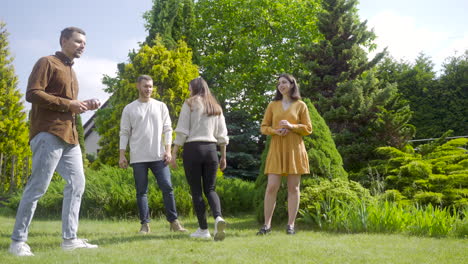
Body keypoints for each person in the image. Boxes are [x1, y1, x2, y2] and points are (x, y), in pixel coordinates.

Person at [9, 27, 100, 256]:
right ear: (63, 41)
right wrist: (68, 104)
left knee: (77, 184)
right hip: (48, 132)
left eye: (84, 43)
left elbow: (68, 103)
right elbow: (32, 93)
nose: (82, 46)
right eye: (78, 41)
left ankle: (69, 239)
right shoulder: (47, 62)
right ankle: (18, 242)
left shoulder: (72, 71)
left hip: (70, 136)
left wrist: (83, 104)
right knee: (38, 186)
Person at [119, 75, 187, 235]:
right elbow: (124, 132)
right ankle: (145, 225)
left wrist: (168, 151)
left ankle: (174, 222)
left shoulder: (160, 106)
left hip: (159, 156)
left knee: (167, 188)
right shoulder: (129, 108)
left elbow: (168, 129)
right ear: (138, 86)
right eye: (145, 86)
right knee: (141, 192)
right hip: (138, 157)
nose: (148, 89)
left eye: (150, 86)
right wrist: (122, 155)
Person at [170, 77, 228, 241]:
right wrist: (223, 156)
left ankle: (203, 229)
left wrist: (174, 153)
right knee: (210, 189)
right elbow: (222, 135)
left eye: (190, 88)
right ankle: (218, 217)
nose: (189, 91)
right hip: (211, 150)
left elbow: (182, 131)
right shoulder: (215, 106)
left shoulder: (189, 103)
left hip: (193, 149)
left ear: (194, 88)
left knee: (196, 191)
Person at [257, 74, 312, 236]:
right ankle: (266, 225)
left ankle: (291, 225)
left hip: (295, 149)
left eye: (284, 82)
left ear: (292, 84)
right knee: (271, 187)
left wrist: (292, 126)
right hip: (277, 148)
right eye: (279, 83)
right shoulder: (272, 105)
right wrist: (275, 131)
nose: (281, 85)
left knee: (293, 188)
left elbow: (308, 128)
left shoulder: (301, 105)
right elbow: (263, 127)